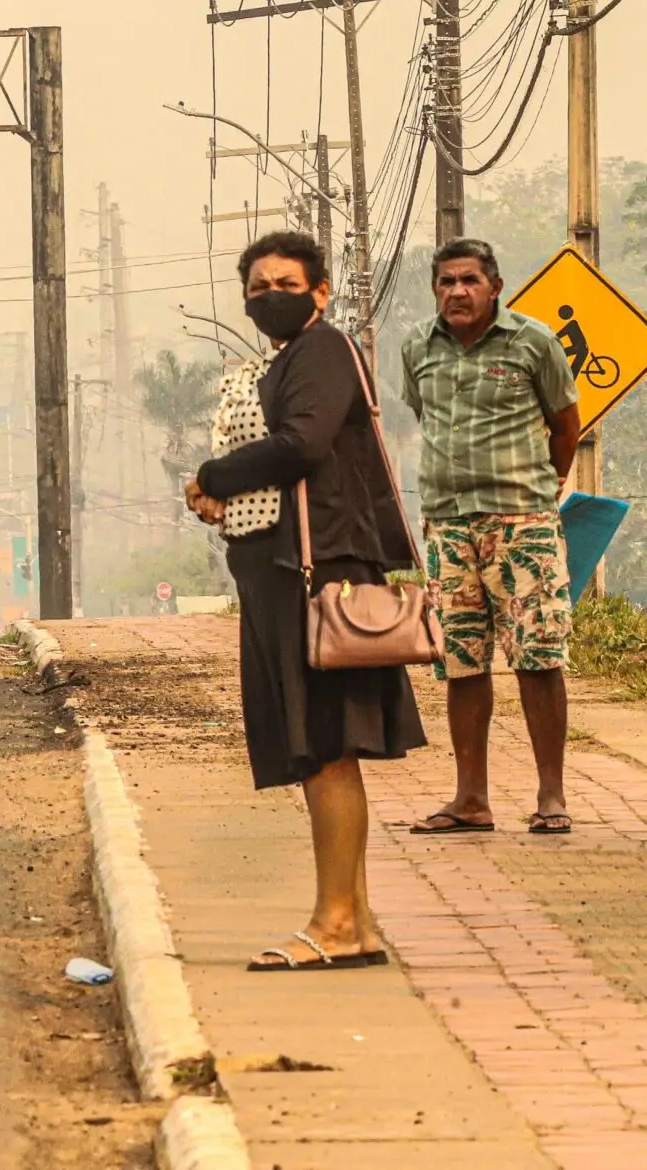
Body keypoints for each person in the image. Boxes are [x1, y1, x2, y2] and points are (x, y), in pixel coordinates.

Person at [187, 230, 425, 971]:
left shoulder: (321, 351)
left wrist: (213, 476)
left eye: (286, 285)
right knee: (324, 748)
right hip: (281, 569)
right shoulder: (285, 358)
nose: (270, 298)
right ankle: (355, 922)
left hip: (316, 571)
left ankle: (335, 923)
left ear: (320, 292)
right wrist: (218, 490)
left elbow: (301, 445)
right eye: (257, 288)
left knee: (327, 747)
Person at [399, 239, 582, 837]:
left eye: (470, 280)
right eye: (446, 281)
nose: (457, 291)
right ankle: (470, 799)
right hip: (447, 523)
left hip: (521, 523)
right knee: (461, 662)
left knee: (538, 656)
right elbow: (428, 420)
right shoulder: (417, 347)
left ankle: (551, 796)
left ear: (495, 287)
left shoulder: (533, 342)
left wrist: (545, 485)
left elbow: (565, 426)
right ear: (435, 289)